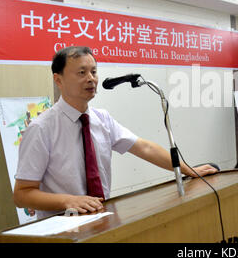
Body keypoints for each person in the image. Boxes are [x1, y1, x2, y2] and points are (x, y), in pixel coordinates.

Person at [13, 46, 218, 218]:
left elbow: (144, 148)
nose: (91, 79)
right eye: (82, 73)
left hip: (102, 219)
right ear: (58, 80)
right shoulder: (41, 129)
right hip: (62, 230)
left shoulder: (101, 119)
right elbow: (22, 194)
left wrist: (187, 170)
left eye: (94, 71)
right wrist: (69, 200)